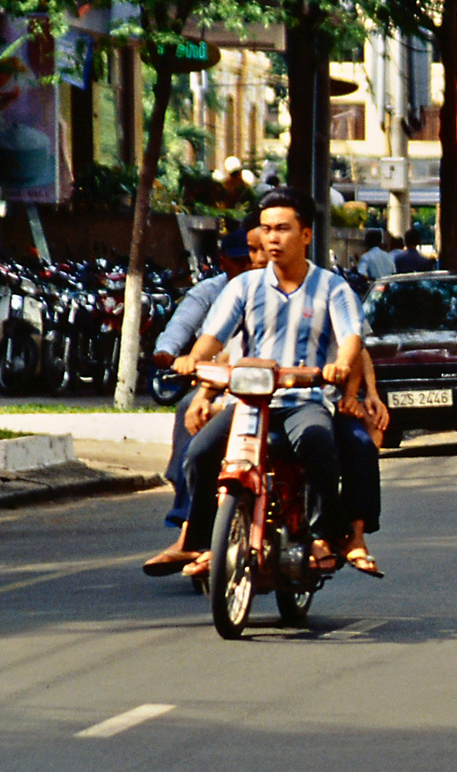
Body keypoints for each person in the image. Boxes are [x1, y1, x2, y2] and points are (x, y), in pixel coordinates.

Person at [178, 188, 380, 576]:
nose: (273, 237)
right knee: (200, 454)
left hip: (304, 399)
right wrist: (194, 359)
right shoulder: (244, 287)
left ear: (305, 235)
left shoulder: (333, 288)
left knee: (318, 441)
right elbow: (214, 337)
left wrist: (340, 364)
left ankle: (325, 533)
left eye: (283, 229)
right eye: (267, 229)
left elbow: (352, 338)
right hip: (247, 402)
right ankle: (204, 542)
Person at [141, 221, 257, 574]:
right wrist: (173, 355)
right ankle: (187, 516)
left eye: (257, 258)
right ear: (226, 262)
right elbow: (190, 334)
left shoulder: (293, 288)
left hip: (272, 387)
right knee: (188, 414)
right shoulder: (214, 292)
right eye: (244, 259)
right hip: (221, 379)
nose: (252, 266)